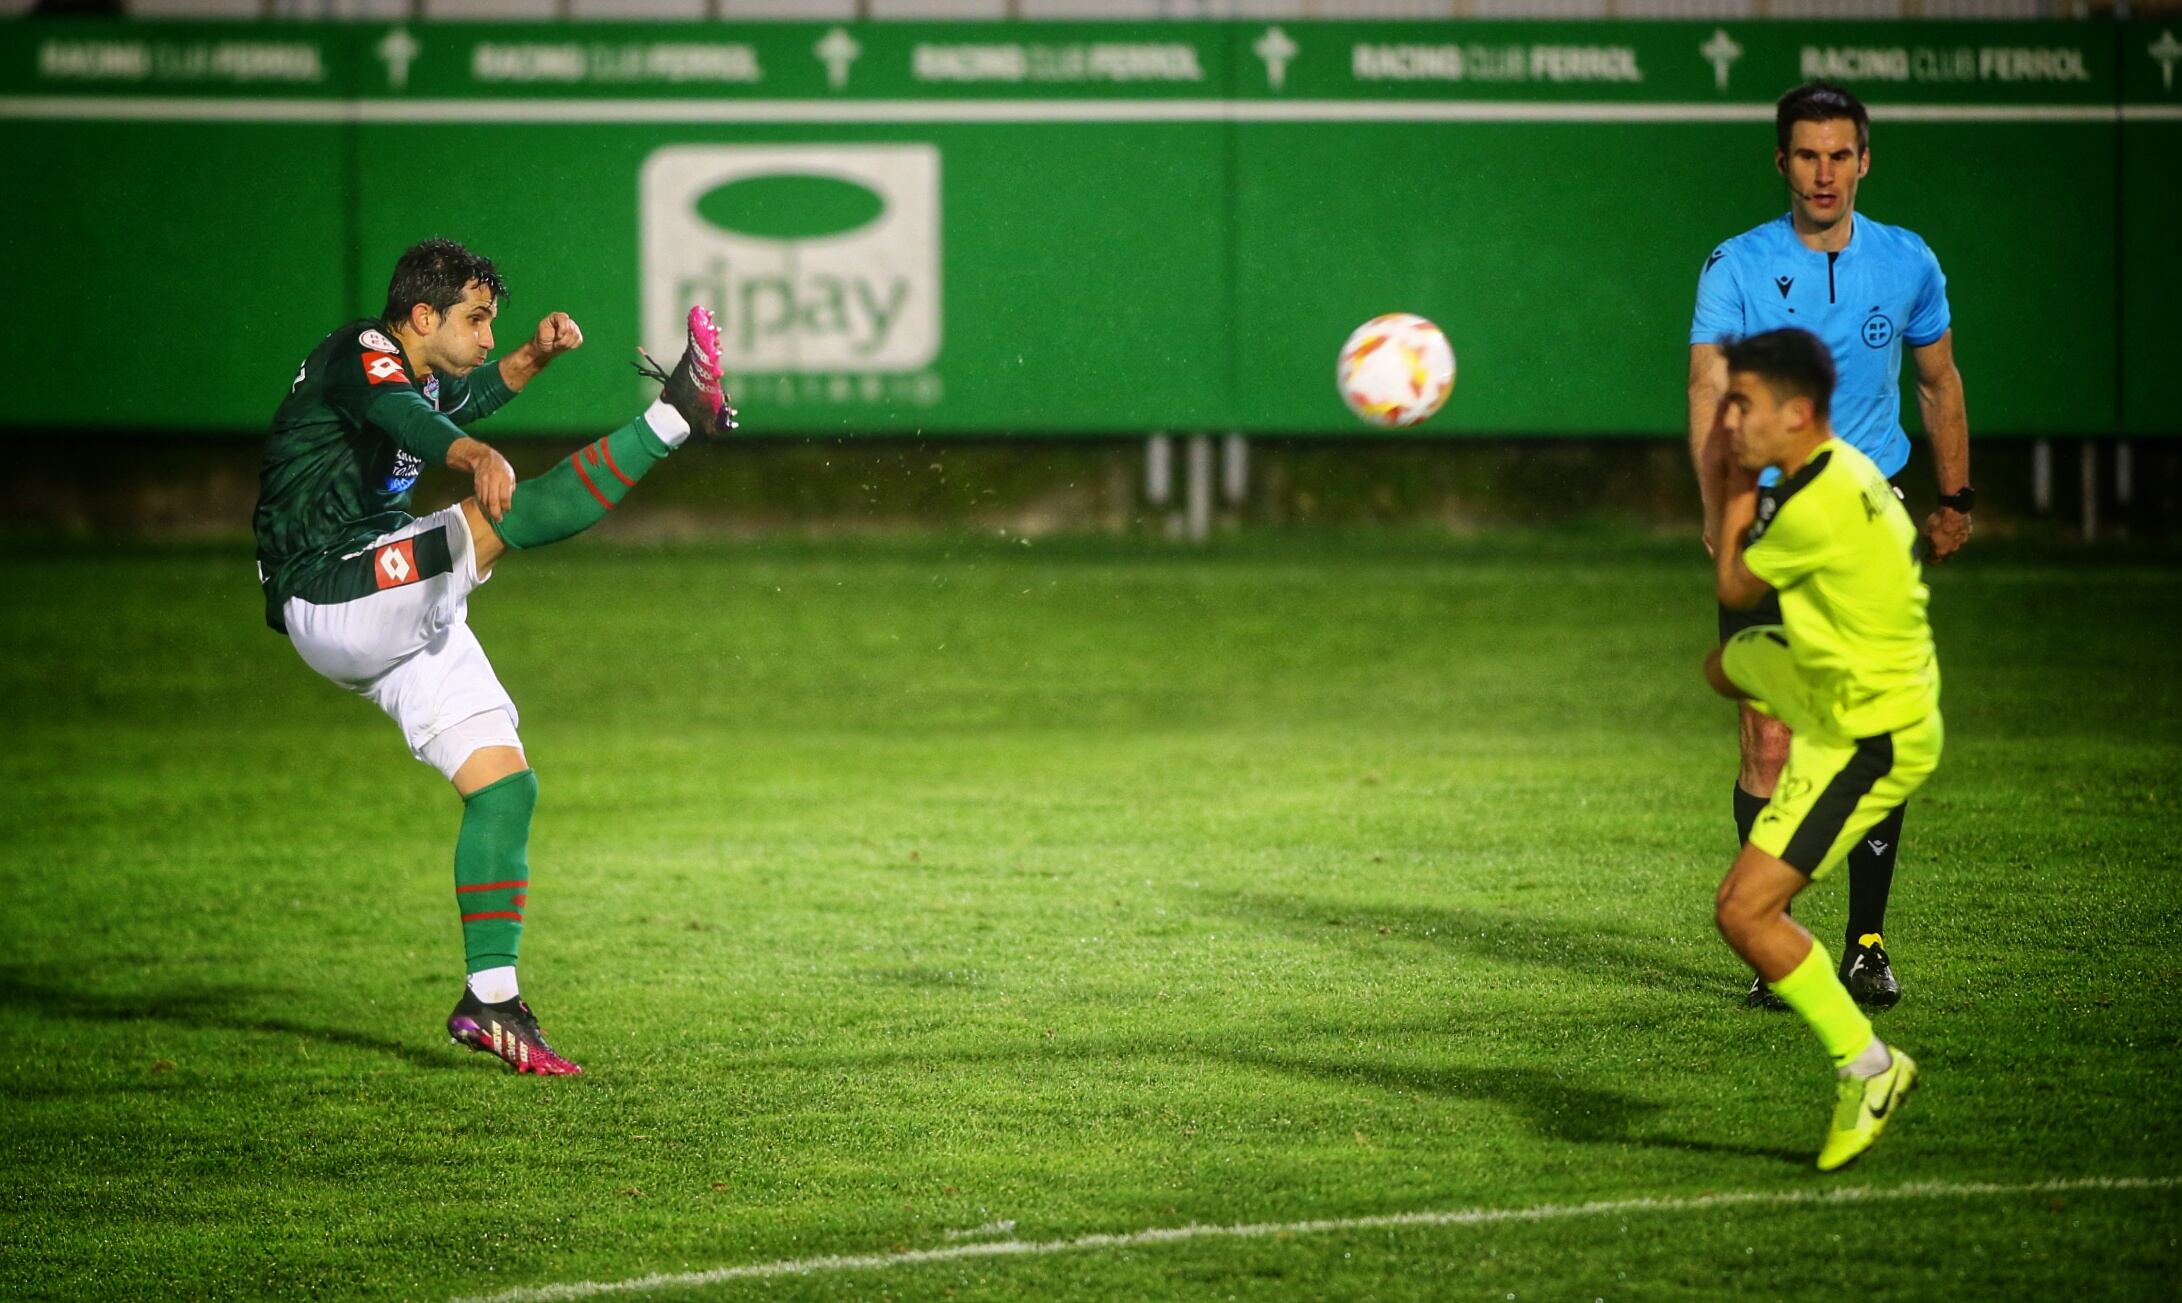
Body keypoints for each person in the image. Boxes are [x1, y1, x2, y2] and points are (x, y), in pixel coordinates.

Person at [252, 238, 735, 1074]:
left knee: (504, 786)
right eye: (475, 319)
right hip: (328, 584)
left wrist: (532, 357)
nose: (485, 334)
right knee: (499, 519)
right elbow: (414, 419)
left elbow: (458, 397)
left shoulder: (420, 368)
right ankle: (675, 416)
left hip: (382, 597)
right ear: (422, 315)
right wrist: (472, 457)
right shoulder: (361, 348)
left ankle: (492, 998)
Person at [1688, 80, 1973, 1011]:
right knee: (1767, 733)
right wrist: (1716, 510)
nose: (1823, 171)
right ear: (1782, 163)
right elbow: (1707, 392)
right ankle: (1777, 945)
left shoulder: (1909, 260)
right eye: (1806, 154)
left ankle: (1867, 944)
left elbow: (1938, 382)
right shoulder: (1735, 264)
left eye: (1839, 153)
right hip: (1769, 515)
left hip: (1871, 517)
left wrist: (1955, 495)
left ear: (1864, 160)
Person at [1702, 327, 1941, 1171]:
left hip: (1866, 733)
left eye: (1744, 406)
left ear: (1797, 413)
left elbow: (1733, 582)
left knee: (1744, 911)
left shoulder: (1814, 503)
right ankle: (1870, 1059)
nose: (1730, 419)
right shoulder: (1850, 471)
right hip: (1857, 705)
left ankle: (1871, 1066)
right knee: (1728, 666)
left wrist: (1729, 486)